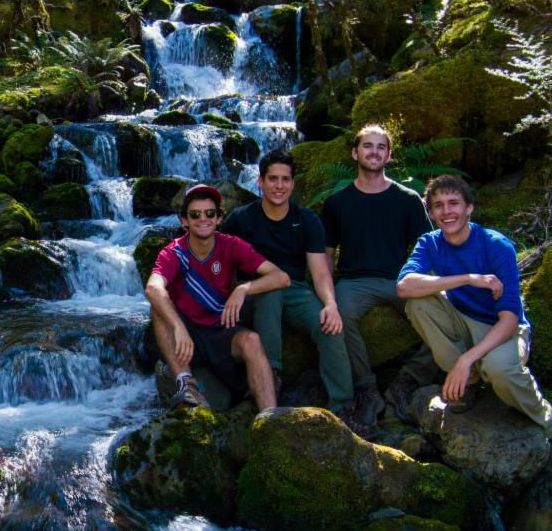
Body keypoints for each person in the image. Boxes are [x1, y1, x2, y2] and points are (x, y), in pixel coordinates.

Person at [397, 175, 552, 431]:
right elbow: (404, 287)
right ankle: (467, 383)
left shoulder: (496, 245)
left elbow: (510, 319)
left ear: (469, 208)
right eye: (438, 205)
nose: (447, 211)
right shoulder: (430, 243)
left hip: (501, 329)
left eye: (454, 203)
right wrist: (467, 279)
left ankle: (545, 418)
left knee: (499, 369)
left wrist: (464, 360)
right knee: (418, 303)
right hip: (462, 318)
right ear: (432, 213)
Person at [221, 148, 355, 419]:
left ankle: (344, 405)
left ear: (293, 184)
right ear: (260, 182)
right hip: (254, 292)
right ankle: (270, 376)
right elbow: (220, 262)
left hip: (295, 289)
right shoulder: (241, 219)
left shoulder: (306, 220)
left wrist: (330, 305)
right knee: (269, 293)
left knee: (328, 325)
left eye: (285, 180)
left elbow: (319, 273)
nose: (279, 186)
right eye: (272, 179)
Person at [322, 124, 435, 433]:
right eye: (367, 146)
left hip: (401, 279)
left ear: (389, 155)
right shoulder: (337, 203)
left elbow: (428, 248)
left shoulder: (408, 199)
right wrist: (327, 293)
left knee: (446, 310)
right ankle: (368, 389)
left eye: (380, 147)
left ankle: (408, 379)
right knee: (339, 316)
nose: (374, 151)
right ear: (355, 153)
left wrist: (428, 281)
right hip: (354, 281)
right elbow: (327, 253)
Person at [146, 183, 287, 411]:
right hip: (187, 339)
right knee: (157, 307)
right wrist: (178, 327)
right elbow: (153, 288)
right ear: (184, 221)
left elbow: (281, 278)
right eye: (195, 214)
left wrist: (242, 289)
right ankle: (186, 382)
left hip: (221, 330)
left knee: (251, 341)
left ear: (219, 217)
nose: (204, 219)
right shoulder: (173, 253)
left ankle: (270, 420)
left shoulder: (231, 245)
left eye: (210, 213)